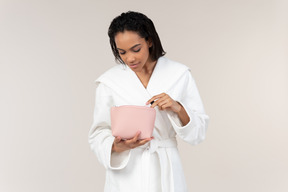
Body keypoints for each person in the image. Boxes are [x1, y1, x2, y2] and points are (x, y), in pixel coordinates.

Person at [89, 11, 209, 192]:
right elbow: (98, 132)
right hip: (127, 174)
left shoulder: (179, 74)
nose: (130, 58)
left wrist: (178, 108)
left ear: (150, 41)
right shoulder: (109, 82)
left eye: (136, 49)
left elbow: (198, 132)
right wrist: (116, 146)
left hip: (165, 168)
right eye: (122, 52)